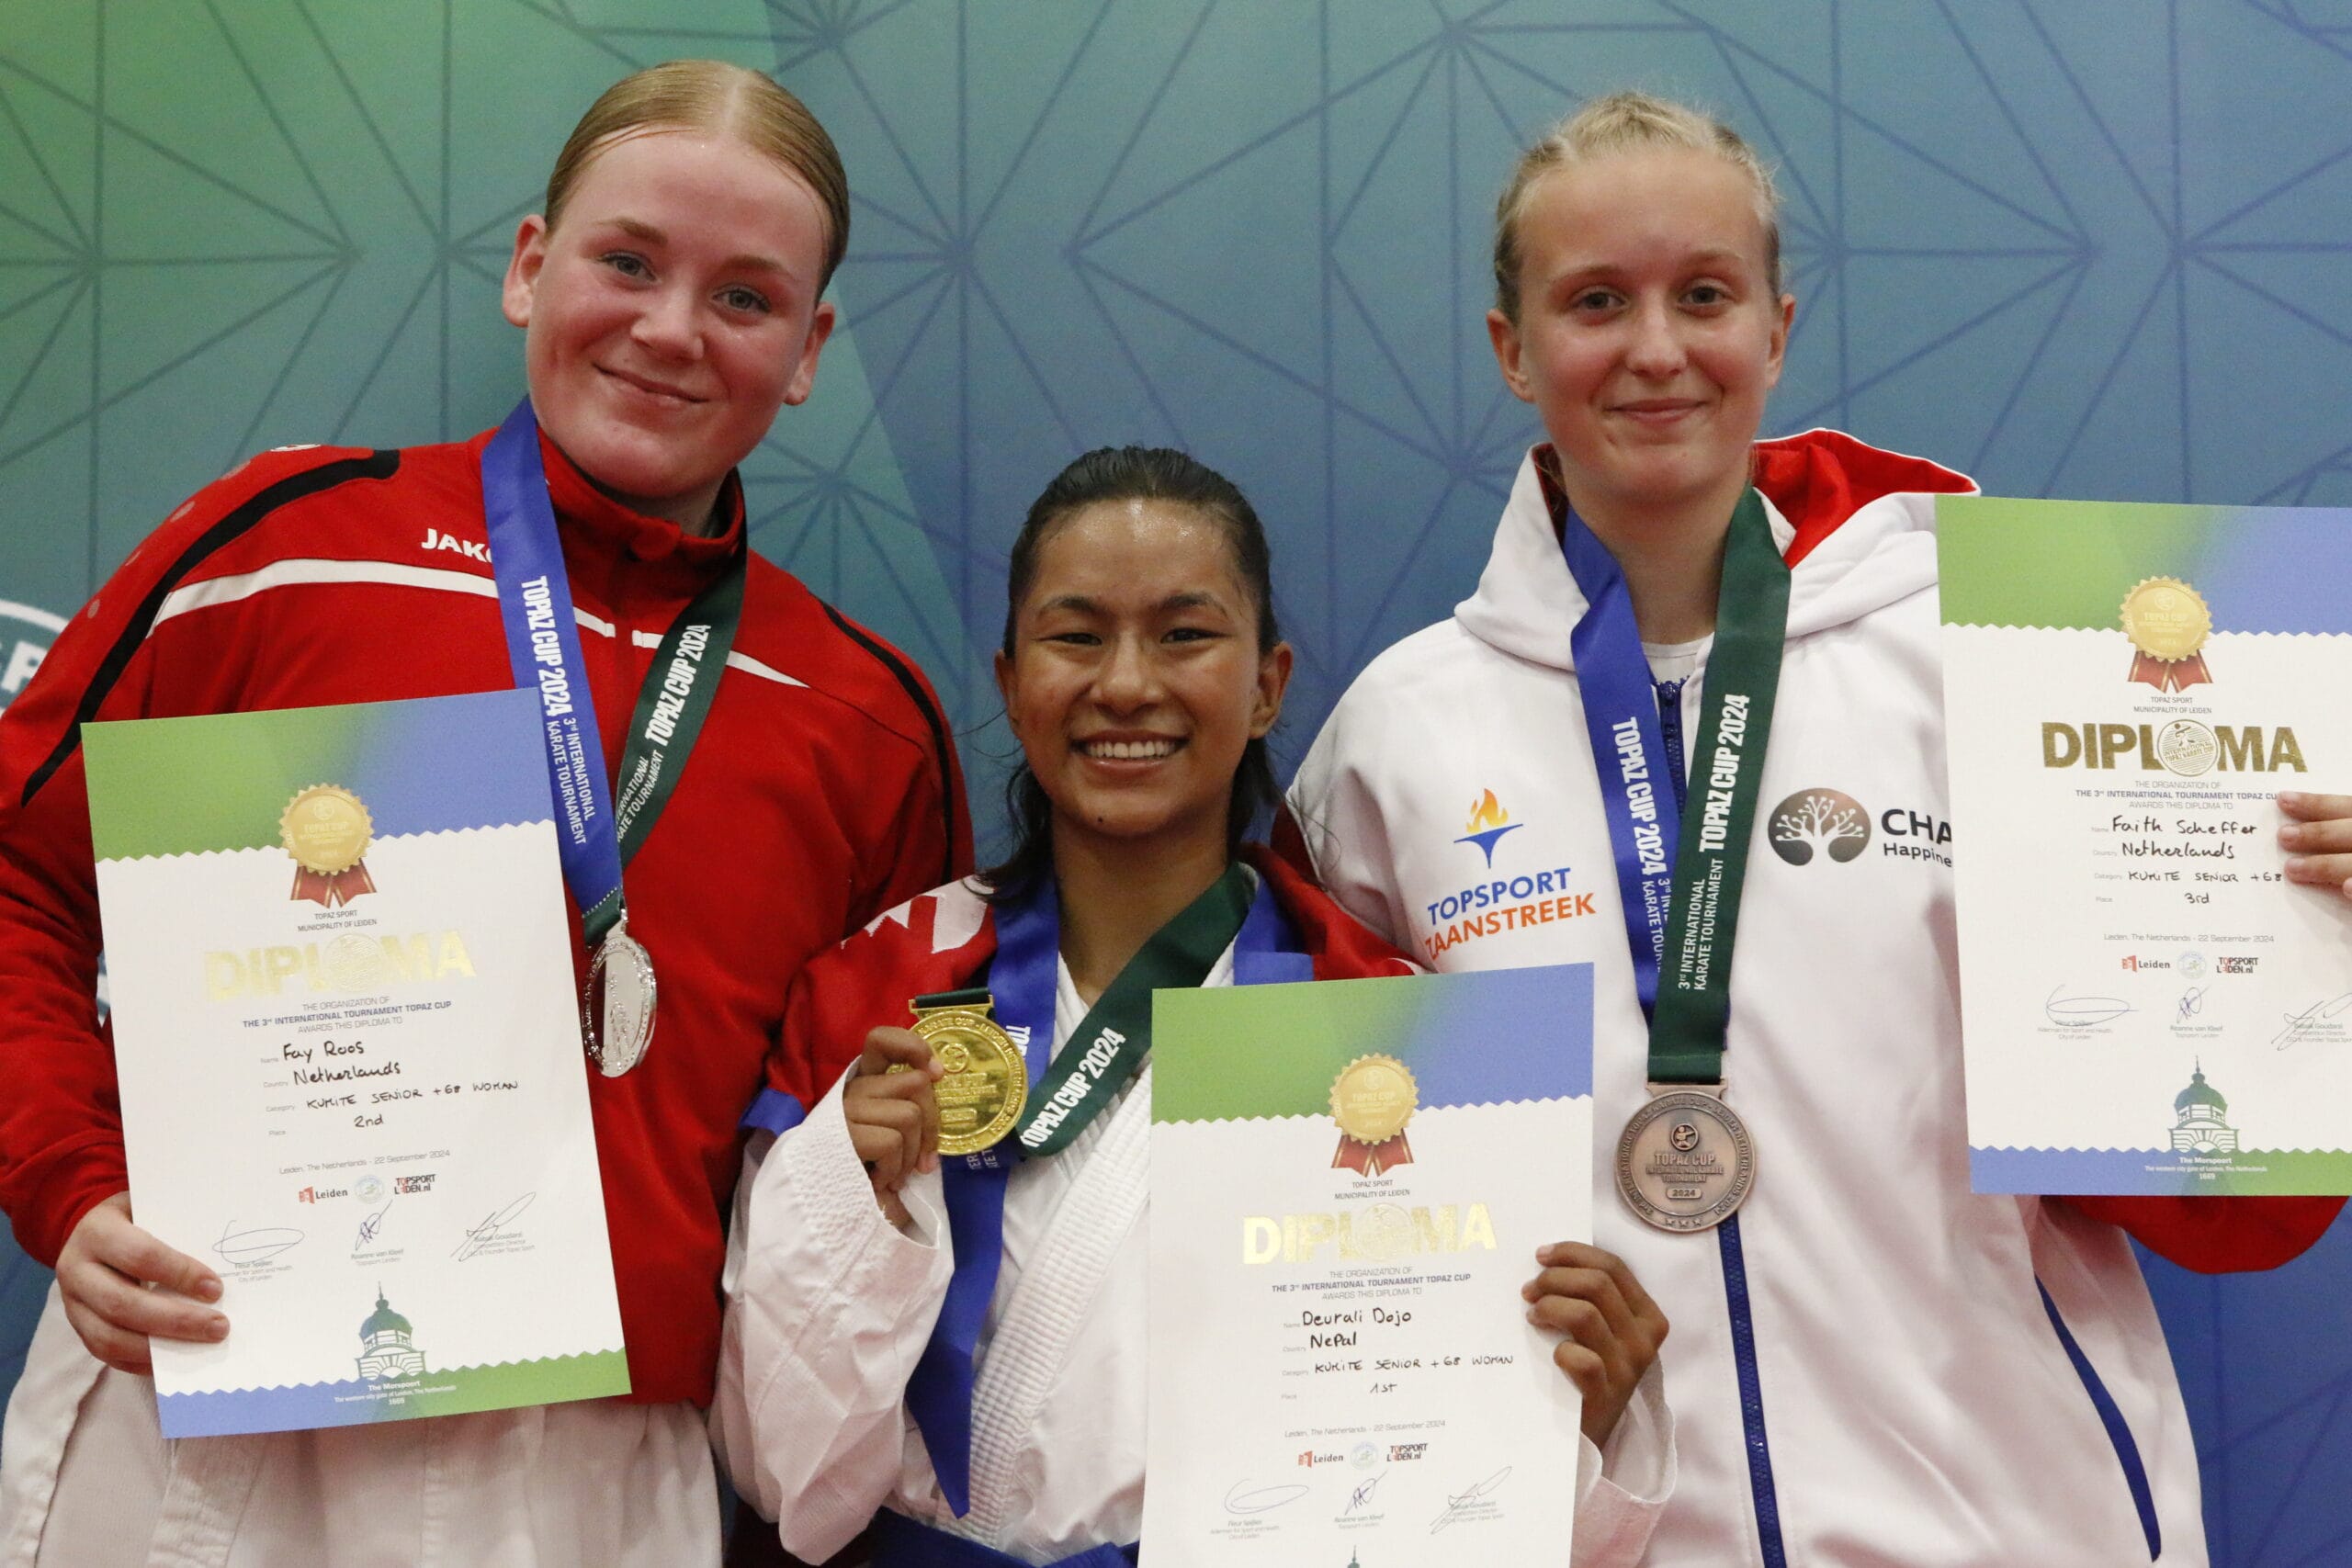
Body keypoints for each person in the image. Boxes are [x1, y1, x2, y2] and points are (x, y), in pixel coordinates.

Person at [1282, 92, 2346, 1565]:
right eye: (1596, 301)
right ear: (1511, 348)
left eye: (1704, 293)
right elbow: (1346, 1222)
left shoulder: (1999, 660)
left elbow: (2231, 1196)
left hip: (2011, 1527)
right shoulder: (1392, 741)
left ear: (1775, 330)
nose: (1657, 347)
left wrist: (2304, 944)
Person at [0, 61, 967, 1567]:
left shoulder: (869, 718)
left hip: (595, 1466)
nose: (671, 329)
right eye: (627, 261)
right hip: (215, 1385)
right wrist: (70, 1182)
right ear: (529, 267)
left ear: (808, 351)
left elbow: (892, 1105)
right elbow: (20, 875)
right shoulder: (290, 547)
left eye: (745, 297)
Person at [714, 446, 1676, 1567]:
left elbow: (1444, 1501)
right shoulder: (877, 988)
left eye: (1183, 634)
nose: (1127, 684)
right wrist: (850, 1199)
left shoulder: (1394, 1024)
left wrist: (1572, 1415)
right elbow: (780, 1477)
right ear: (1011, 683)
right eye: (1076, 637)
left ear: (1266, 686)